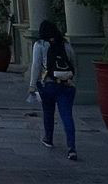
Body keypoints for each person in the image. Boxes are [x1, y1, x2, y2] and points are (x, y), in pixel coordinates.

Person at [29, 19, 78, 161]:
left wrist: (32, 85)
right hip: (66, 84)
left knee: (48, 112)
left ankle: (48, 138)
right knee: (67, 116)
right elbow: (74, 63)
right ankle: (72, 148)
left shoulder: (40, 44)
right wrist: (72, 81)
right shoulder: (65, 44)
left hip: (49, 84)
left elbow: (36, 66)